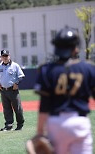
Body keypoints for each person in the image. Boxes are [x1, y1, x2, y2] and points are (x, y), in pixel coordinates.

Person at [26, 26, 95, 154]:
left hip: (56, 124)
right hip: (80, 123)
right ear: (76, 47)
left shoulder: (46, 70)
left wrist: (40, 132)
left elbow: (44, 105)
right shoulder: (89, 69)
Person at [0, 49, 25, 131]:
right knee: (6, 109)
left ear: (9, 56)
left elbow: (21, 76)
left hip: (13, 90)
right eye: (3, 56)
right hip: (3, 91)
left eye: (6, 56)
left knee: (17, 108)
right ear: (1, 57)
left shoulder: (15, 65)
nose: (5, 57)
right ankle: (8, 125)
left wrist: (17, 83)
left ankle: (20, 124)